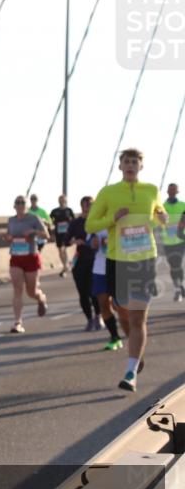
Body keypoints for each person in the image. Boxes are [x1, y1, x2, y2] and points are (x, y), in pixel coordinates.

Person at [85, 148, 168, 392]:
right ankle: (136, 348)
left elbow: (158, 214)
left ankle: (130, 372)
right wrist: (112, 218)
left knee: (138, 315)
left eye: (135, 161)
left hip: (144, 260)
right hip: (117, 260)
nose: (131, 165)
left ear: (141, 166)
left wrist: (161, 217)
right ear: (120, 166)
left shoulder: (151, 190)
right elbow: (91, 224)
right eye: (126, 161)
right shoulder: (108, 193)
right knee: (122, 310)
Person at [4, 195, 49, 333]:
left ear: (26, 205)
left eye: (22, 202)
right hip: (16, 257)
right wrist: (7, 238)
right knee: (17, 290)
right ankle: (18, 322)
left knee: (31, 291)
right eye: (17, 202)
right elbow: (9, 236)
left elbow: (46, 234)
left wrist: (34, 232)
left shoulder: (33, 218)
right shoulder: (11, 221)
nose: (20, 204)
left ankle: (41, 298)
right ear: (14, 206)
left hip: (31, 257)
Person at [67, 196, 101, 331]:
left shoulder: (99, 222)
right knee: (83, 293)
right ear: (81, 206)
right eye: (85, 205)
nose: (87, 208)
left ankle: (99, 316)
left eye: (90, 205)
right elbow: (65, 240)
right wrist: (75, 241)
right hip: (80, 261)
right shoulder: (75, 223)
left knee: (94, 292)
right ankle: (89, 319)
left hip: (95, 260)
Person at [90, 229, 123, 350]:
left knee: (120, 305)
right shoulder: (95, 223)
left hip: (119, 267)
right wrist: (94, 241)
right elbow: (92, 245)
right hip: (100, 270)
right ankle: (115, 336)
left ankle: (133, 333)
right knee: (103, 304)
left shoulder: (120, 219)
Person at [163, 183, 185, 302]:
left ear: (177, 192)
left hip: (181, 239)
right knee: (173, 266)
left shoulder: (183, 205)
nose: (172, 191)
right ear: (167, 191)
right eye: (170, 189)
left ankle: (178, 287)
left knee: (178, 263)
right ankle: (180, 287)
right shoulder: (162, 207)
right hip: (168, 241)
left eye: (174, 190)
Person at [50, 194, 76, 277]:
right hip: (58, 233)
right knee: (60, 250)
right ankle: (65, 265)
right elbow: (50, 221)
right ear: (58, 201)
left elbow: (74, 221)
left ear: (66, 201)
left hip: (67, 233)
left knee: (64, 249)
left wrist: (73, 233)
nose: (62, 202)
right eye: (60, 200)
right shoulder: (54, 211)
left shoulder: (69, 210)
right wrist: (52, 231)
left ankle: (65, 266)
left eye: (63, 200)